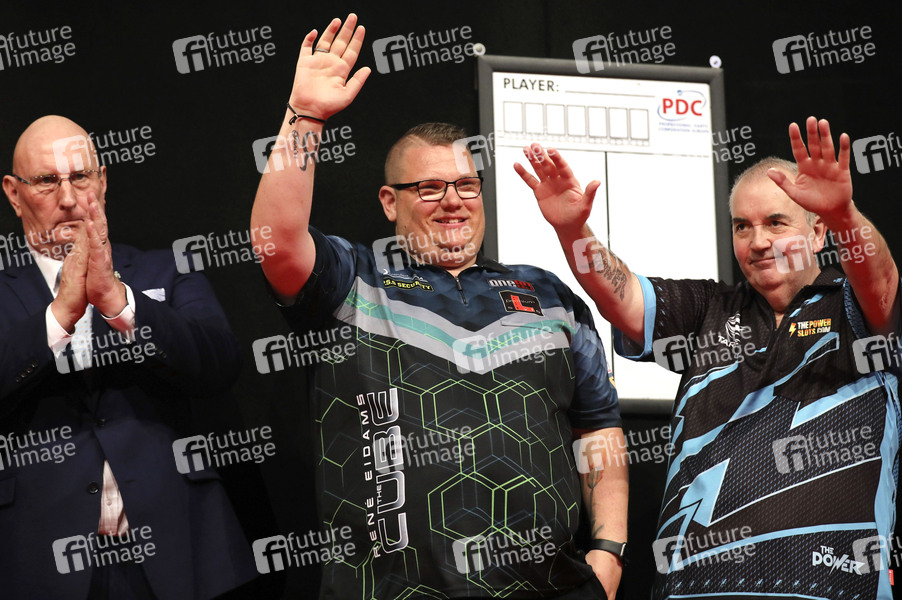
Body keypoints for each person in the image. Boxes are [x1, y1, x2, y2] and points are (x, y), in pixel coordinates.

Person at [250, 14, 628, 600]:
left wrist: (608, 554)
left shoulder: (550, 295)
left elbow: (599, 426)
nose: (453, 202)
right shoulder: (354, 279)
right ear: (389, 202)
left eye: (466, 185)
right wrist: (305, 118)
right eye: (429, 188)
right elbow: (275, 241)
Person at [515, 118, 900, 599]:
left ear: (817, 230)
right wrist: (572, 228)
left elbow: (883, 283)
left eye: (776, 222)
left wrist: (845, 216)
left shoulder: (855, 308)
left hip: (830, 585)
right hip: (692, 588)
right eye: (742, 227)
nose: (758, 241)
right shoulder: (709, 308)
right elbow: (622, 296)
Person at [0, 116, 257, 599]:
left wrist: (119, 302)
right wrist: (58, 316)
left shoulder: (166, 270)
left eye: (80, 177)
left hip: (181, 551)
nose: (69, 198)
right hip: (42, 561)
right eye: (47, 181)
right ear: (14, 194)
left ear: (102, 180)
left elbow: (220, 365)